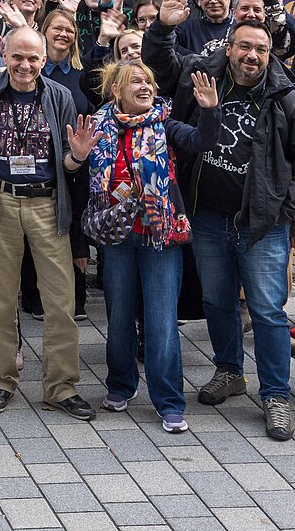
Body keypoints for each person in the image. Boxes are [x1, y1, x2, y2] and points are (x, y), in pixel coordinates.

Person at [169, 17, 295, 441]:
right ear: (230, 48)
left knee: (268, 312)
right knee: (217, 301)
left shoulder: (287, 100)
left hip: (262, 224)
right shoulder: (204, 81)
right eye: (244, 47)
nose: (251, 56)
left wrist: (283, 209)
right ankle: (229, 371)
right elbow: (173, 111)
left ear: (269, 53)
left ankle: (275, 395)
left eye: (260, 48)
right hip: (207, 216)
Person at [0, 27, 92, 421]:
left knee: (60, 302)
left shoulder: (59, 96)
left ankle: (61, 387)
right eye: (17, 57)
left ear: (44, 60)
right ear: (4, 55)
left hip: (48, 204)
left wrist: (78, 157)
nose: (25, 66)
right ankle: (1, 379)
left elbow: (67, 161)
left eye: (33, 58)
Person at [80, 60, 219, 433]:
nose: (144, 87)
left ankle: (170, 401)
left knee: (160, 324)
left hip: (160, 237)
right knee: (120, 317)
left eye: (149, 80)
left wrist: (208, 111)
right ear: (116, 92)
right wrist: (78, 155)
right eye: (135, 81)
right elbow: (78, 172)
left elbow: (201, 142)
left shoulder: (165, 123)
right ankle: (120, 386)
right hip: (118, 237)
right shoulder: (98, 126)